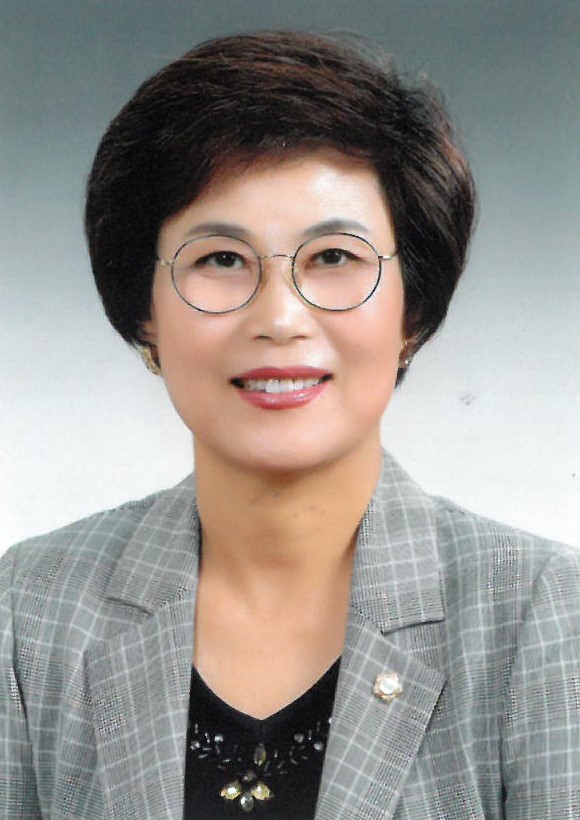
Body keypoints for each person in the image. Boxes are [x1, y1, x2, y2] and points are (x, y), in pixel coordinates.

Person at [1, 30, 579, 820]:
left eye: (334, 258)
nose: (279, 318)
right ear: (145, 316)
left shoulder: (545, 615)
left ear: (412, 311)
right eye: (221, 260)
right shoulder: (30, 611)